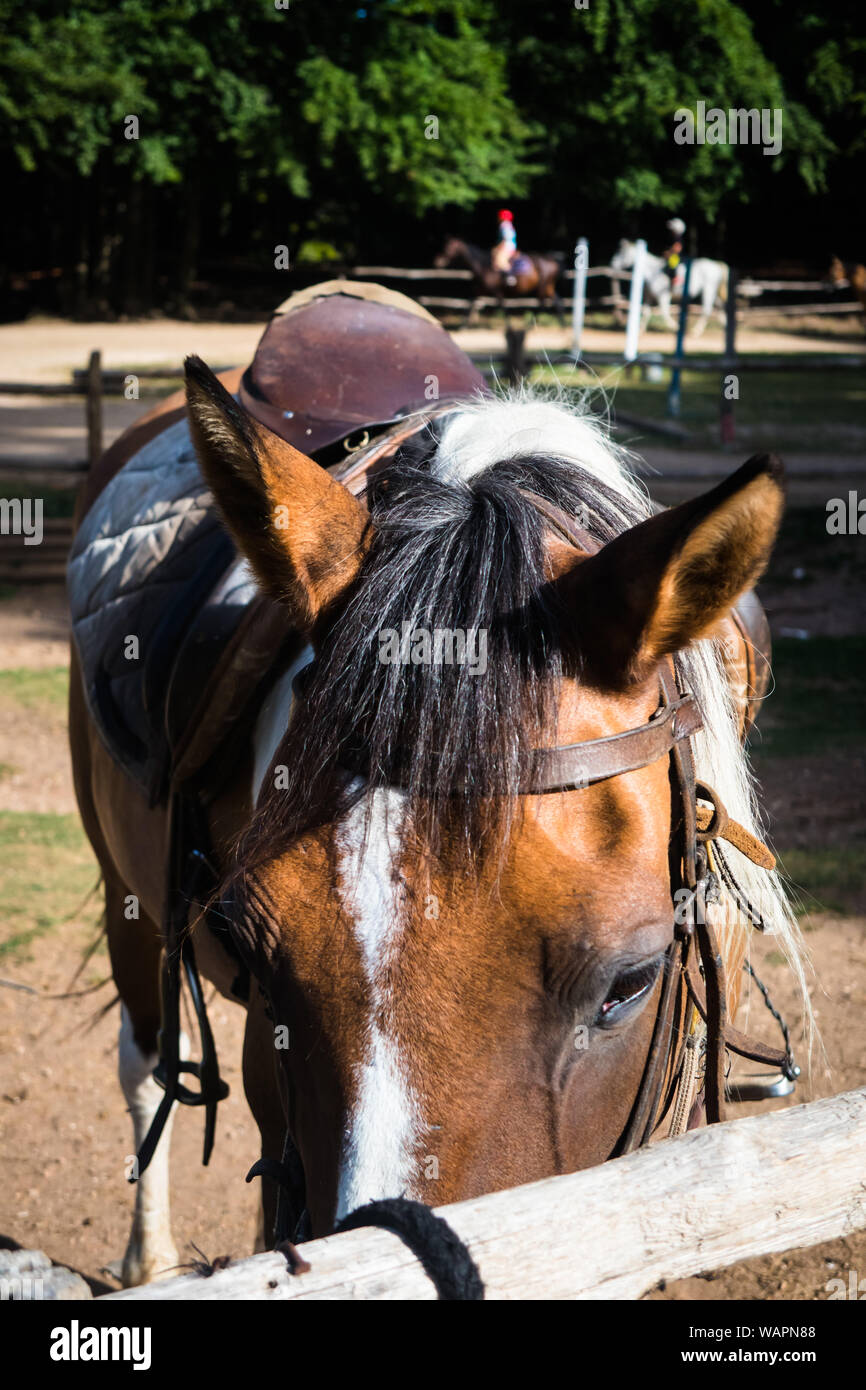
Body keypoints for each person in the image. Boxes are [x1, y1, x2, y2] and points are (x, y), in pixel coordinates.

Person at [492, 208, 518, 277]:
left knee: (500, 261)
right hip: (510, 246)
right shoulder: (509, 225)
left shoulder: (504, 225)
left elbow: (506, 239)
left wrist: (499, 247)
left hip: (506, 247)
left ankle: (510, 277)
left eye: (499, 216)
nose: (498, 218)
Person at [663, 217, 686, 286]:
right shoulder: (674, 238)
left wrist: (669, 253)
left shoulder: (677, 239)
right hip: (674, 259)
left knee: (672, 264)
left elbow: (677, 249)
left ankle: (674, 281)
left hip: (676, 260)